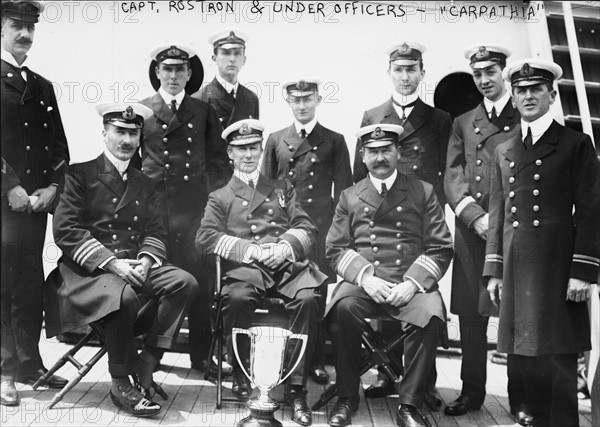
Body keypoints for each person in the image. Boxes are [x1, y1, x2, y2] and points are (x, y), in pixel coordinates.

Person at [47, 102, 199, 418]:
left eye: (133, 133)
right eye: (119, 131)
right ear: (104, 134)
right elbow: (66, 230)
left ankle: (147, 360)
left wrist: (146, 260)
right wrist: (111, 263)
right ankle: (120, 381)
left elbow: (155, 229)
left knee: (184, 282)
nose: (126, 140)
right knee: (123, 295)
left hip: (132, 266)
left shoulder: (145, 182)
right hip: (85, 272)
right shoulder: (78, 174)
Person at [484, 58, 600, 427]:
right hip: (517, 267)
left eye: (536, 89)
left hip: (557, 265)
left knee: (560, 353)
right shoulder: (504, 149)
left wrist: (583, 270)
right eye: (521, 90)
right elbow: (498, 212)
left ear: (551, 95)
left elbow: (591, 209)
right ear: (513, 98)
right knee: (523, 352)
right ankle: (529, 417)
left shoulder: (575, 144)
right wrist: (494, 270)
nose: (528, 96)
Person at [196, 119, 327, 427]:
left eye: (254, 147)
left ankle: (296, 388)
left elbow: (308, 228)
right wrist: (249, 250)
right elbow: (204, 238)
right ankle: (241, 376)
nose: (249, 155)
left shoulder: (281, 188)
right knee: (237, 299)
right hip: (248, 269)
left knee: (308, 300)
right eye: (241, 149)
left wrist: (284, 246)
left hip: (286, 268)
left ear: (261, 149)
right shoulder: (221, 196)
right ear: (230, 153)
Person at [325, 124, 453, 427]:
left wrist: (412, 283)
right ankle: (346, 396)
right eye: (373, 152)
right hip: (365, 284)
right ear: (363, 155)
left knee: (429, 315)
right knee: (343, 309)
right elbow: (335, 247)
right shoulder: (349, 195)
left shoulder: (422, 191)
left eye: (386, 150)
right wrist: (365, 277)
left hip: (409, 282)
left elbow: (440, 247)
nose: (380, 157)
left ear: (398, 152)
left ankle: (409, 404)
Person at [351, 40, 451, 406]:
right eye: (399, 69)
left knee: (422, 302)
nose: (405, 76)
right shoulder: (372, 115)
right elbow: (356, 179)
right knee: (385, 301)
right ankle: (387, 373)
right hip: (380, 226)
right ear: (389, 73)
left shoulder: (439, 120)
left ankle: (424, 383)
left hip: (421, 226)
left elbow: (445, 174)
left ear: (422, 73)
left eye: (412, 69)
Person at [444, 44, 531, 425]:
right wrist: (474, 217)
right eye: (478, 74)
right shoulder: (463, 122)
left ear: (504, 73)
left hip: (512, 231)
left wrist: (497, 221)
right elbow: (453, 175)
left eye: (491, 73)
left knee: (514, 314)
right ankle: (471, 391)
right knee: (471, 316)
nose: (484, 81)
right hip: (472, 231)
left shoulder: (524, 117)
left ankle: (521, 398)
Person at [137, 43, 231, 371]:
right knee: (159, 284)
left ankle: (202, 356)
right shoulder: (142, 110)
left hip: (194, 214)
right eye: (168, 69)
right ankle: (154, 353)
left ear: (189, 74)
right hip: (155, 214)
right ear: (158, 73)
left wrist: (212, 206)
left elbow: (220, 162)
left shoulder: (202, 111)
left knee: (200, 285)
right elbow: (133, 165)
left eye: (180, 69)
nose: (174, 75)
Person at [0, 0, 69, 406]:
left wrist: (53, 188)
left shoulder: (42, 86)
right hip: (3, 203)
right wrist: (9, 185)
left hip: (33, 206)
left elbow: (59, 146)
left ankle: (29, 363)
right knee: (3, 284)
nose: (25, 34)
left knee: (27, 282)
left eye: (30, 27)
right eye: (16, 25)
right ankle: (5, 369)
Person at [262, 79, 353, 385]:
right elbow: (264, 192)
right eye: (296, 100)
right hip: (285, 232)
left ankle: (314, 360)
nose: (302, 105)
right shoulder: (276, 140)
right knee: (289, 295)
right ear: (288, 102)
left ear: (318, 100)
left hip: (321, 230)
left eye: (307, 99)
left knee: (316, 298)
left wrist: (339, 236)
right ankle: (280, 361)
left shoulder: (334, 140)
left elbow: (344, 194)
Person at [194, 28, 259, 129]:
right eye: (226, 53)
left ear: (244, 59)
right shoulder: (199, 99)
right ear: (214, 58)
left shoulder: (251, 98)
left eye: (237, 53)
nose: (232, 59)